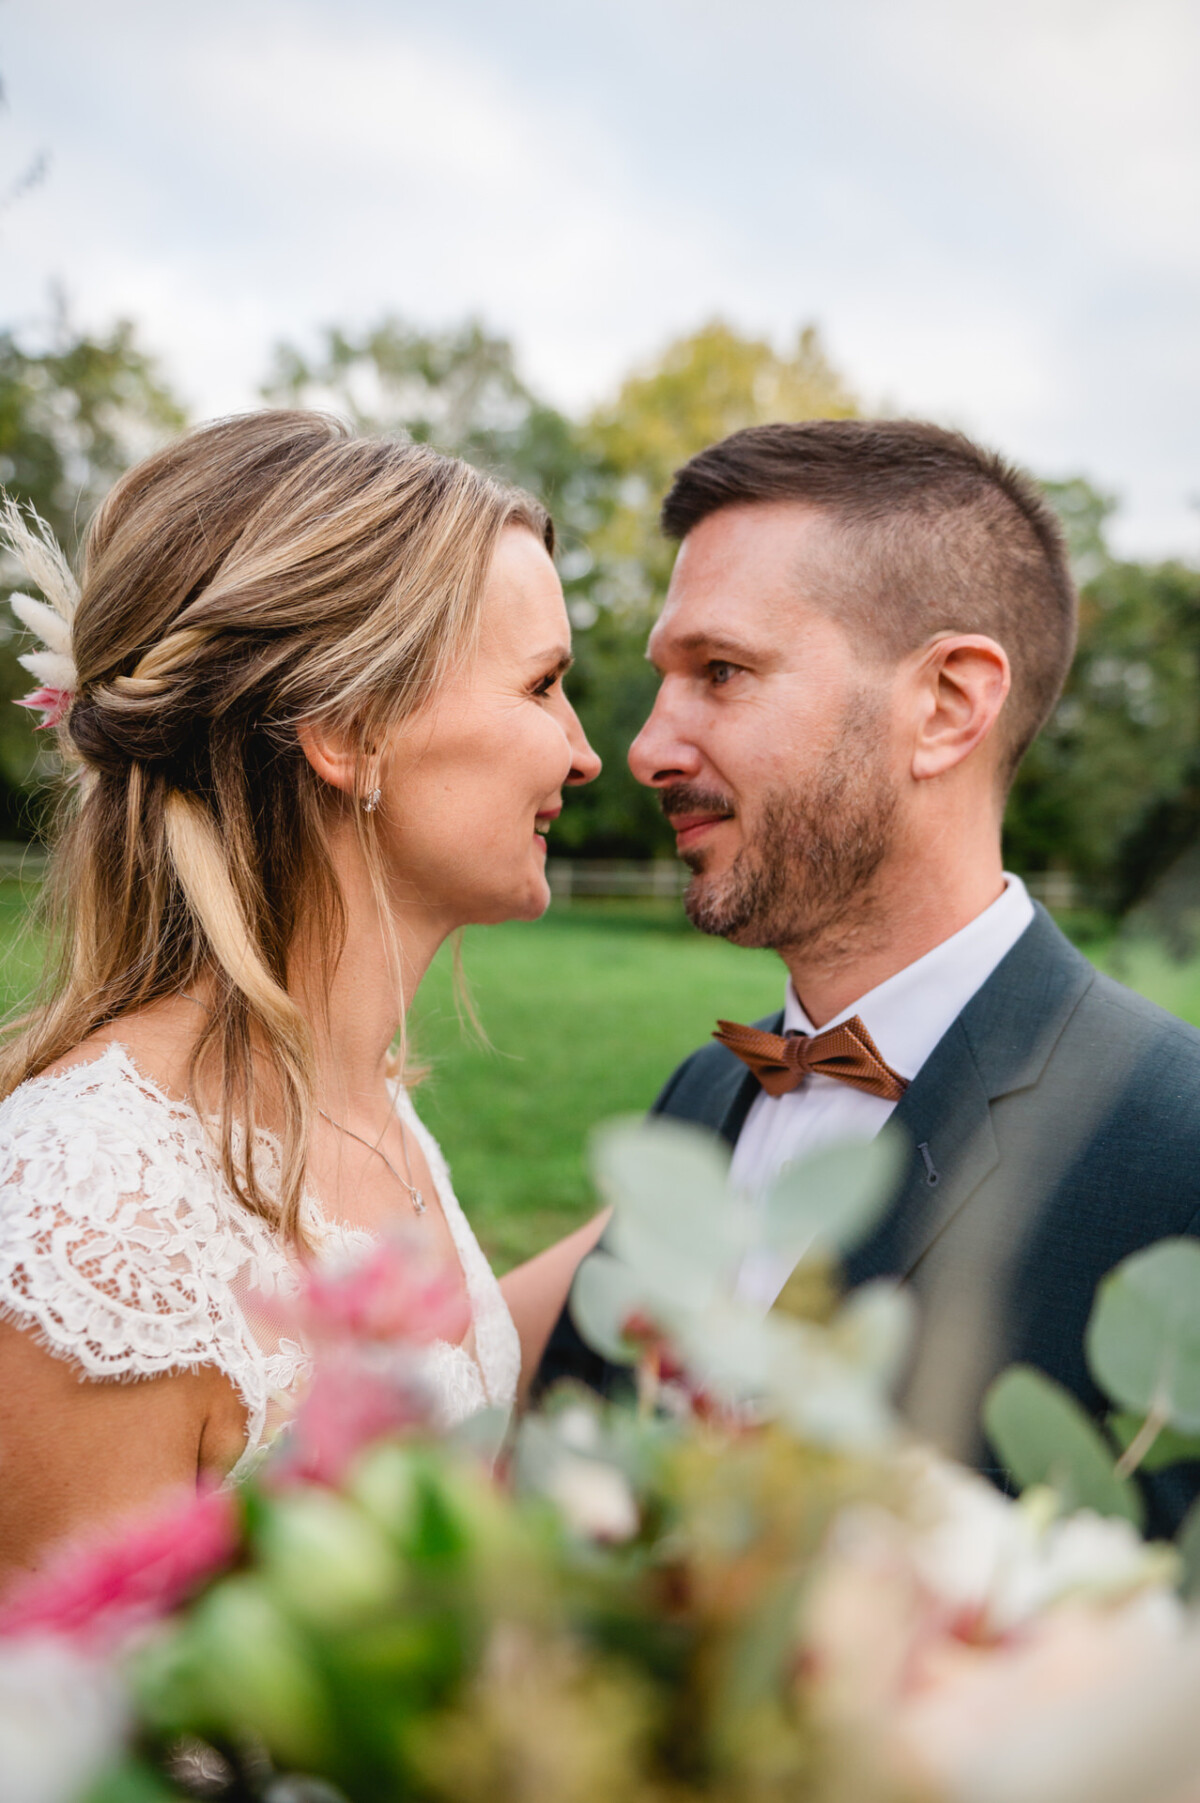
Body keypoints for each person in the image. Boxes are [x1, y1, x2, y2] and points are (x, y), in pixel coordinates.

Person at [534, 419, 1200, 1534]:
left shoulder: (1175, 1144)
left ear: (947, 705)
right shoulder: (701, 1092)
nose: (647, 748)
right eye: (666, 679)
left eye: (722, 672)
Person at [0, 411, 605, 1582]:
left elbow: (438, 1386)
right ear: (348, 731)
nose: (583, 754)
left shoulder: (359, 1095)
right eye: (542, 686)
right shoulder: (93, 1229)